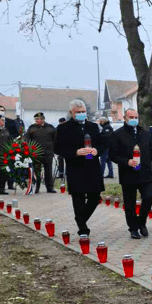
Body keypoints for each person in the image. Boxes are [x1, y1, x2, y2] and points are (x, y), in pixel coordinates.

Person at [54, 100, 106, 235]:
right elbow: (58, 148)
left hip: (92, 166)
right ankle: (83, 228)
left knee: (95, 197)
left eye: (83, 111)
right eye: (78, 112)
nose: (81, 114)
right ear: (71, 112)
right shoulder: (63, 128)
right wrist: (75, 152)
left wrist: (96, 151)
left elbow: (102, 144)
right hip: (75, 167)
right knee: (78, 197)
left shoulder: (93, 127)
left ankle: (80, 219)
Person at [109, 108, 152, 239]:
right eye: (131, 117)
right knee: (130, 204)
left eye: (136, 117)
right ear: (125, 118)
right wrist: (126, 161)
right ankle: (133, 228)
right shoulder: (118, 134)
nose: (134, 120)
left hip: (145, 173)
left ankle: (141, 222)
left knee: (149, 197)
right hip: (128, 174)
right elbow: (112, 155)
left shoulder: (145, 133)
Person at [24, 112, 57, 193]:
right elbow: (27, 139)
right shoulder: (32, 128)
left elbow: (55, 139)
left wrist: (54, 150)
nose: (37, 121)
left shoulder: (50, 128)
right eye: (36, 119)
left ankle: (49, 187)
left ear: (43, 119)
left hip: (48, 152)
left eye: (39, 119)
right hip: (36, 153)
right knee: (36, 171)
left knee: (48, 171)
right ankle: (36, 187)